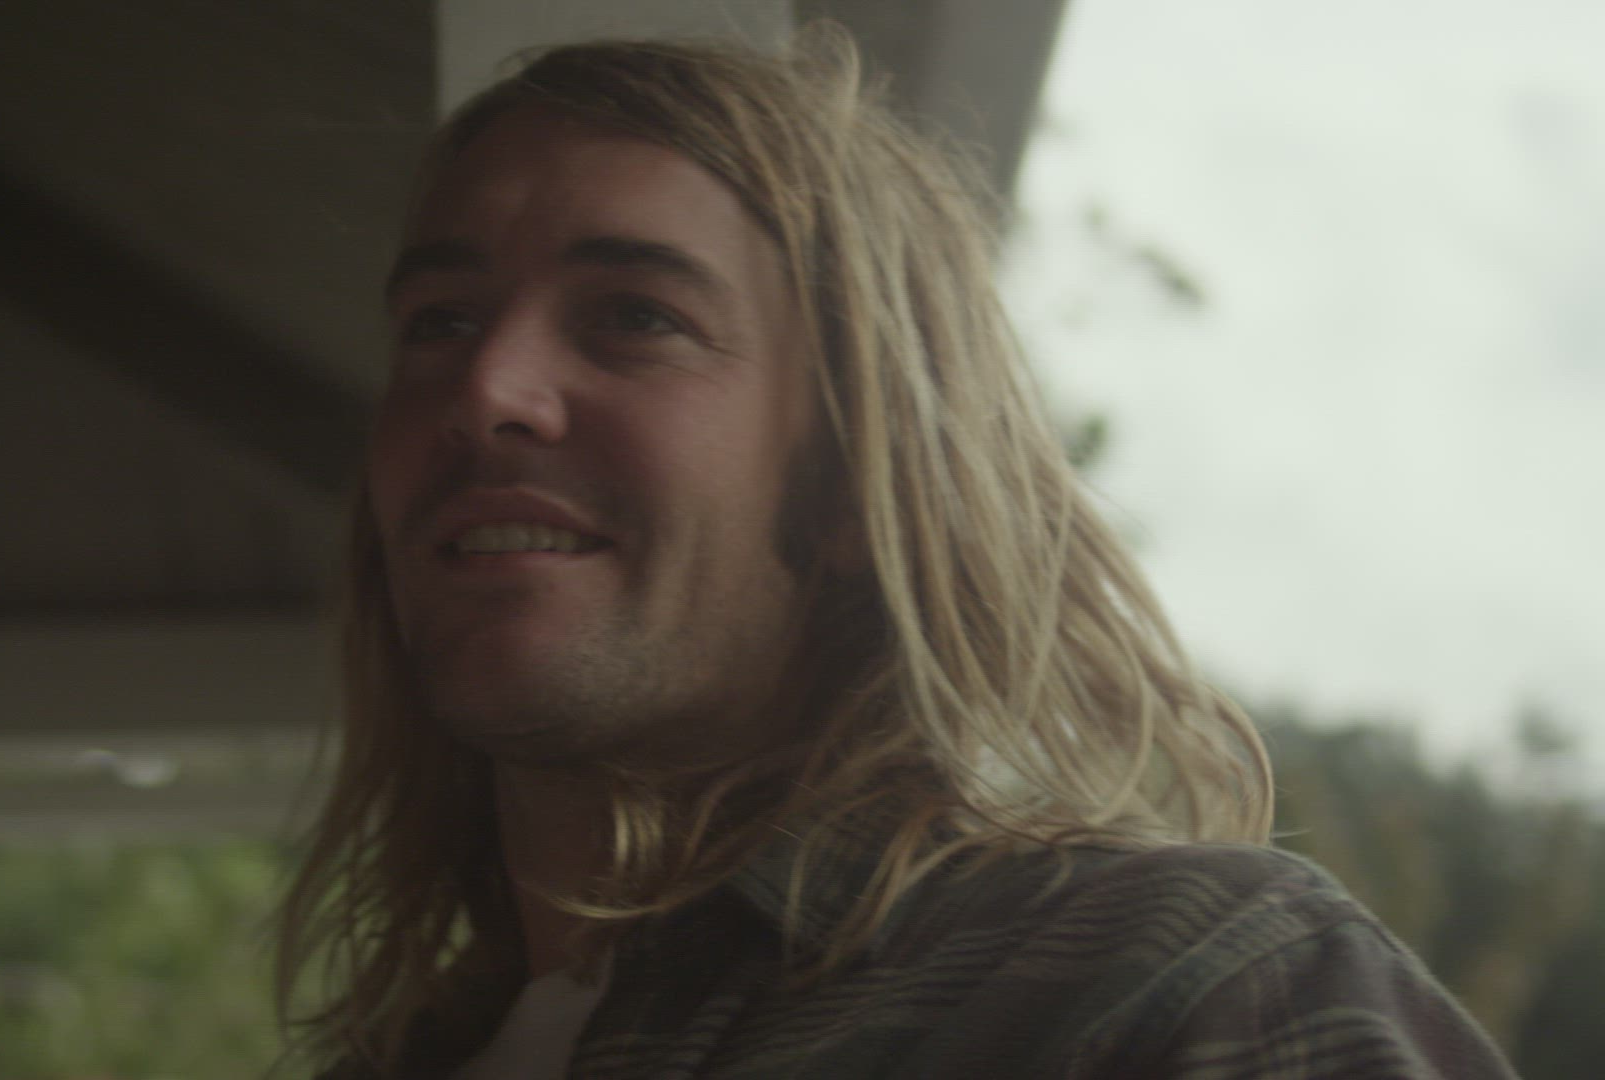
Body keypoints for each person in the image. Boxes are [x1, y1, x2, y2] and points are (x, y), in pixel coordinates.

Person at [276, 26, 1517, 1080]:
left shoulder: (1183, 990)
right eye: (438, 321)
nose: (487, 386)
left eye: (637, 317)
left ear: (857, 486)